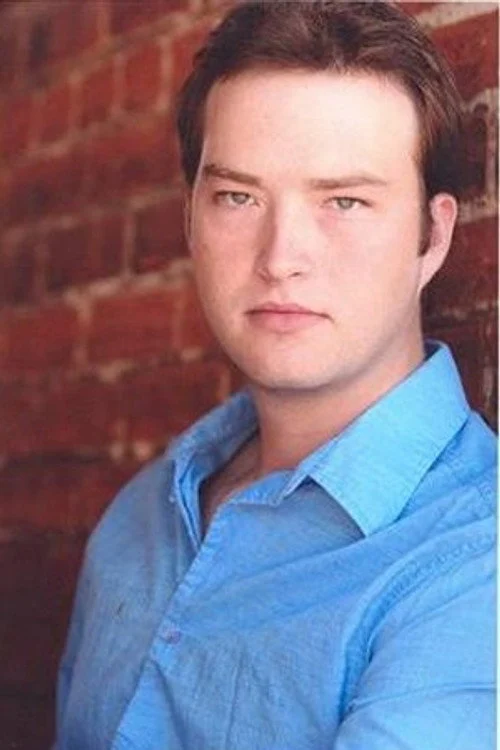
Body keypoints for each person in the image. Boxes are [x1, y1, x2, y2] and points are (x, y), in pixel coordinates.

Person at [55, 2, 496, 748]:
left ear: (433, 235)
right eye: (239, 197)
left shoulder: (475, 563)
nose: (280, 256)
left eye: (344, 201)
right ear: (190, 219)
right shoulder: (141, 517)